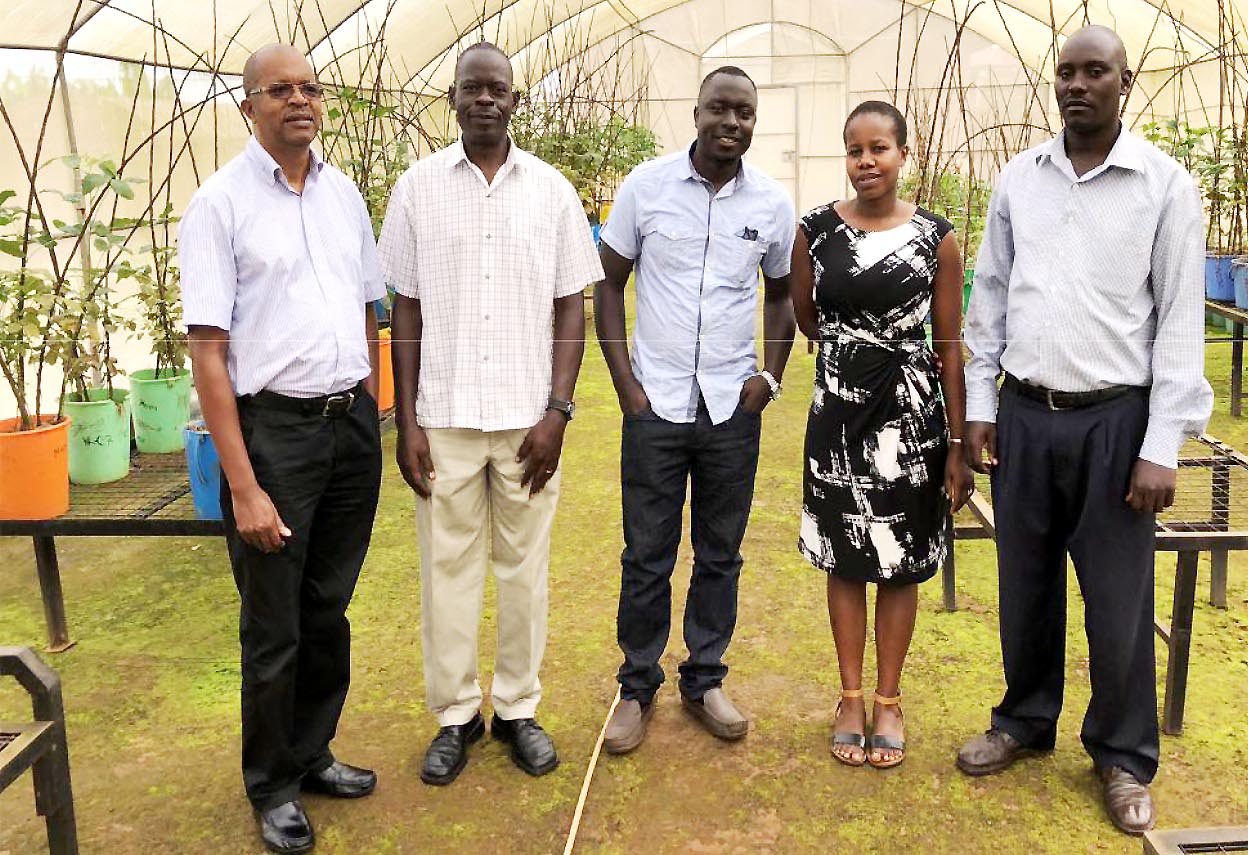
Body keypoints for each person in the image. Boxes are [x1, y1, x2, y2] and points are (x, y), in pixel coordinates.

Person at [957, 26, 1212, 835]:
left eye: (1094, 71)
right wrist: (981, 408)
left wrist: (1161, 442)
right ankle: (1024, 720)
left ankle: (1124, 753)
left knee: (1118, 602)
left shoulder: (1164, 186)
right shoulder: (1018, 181)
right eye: (1065, 72)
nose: (1077, 84)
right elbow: (989, 297)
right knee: (1024, 584)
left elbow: (1179, 318)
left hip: (1116, 422)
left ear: (1124, 84)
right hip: (1028, 415)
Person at [378, 42, 603, 786]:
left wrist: (559, 411)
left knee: (524, 569)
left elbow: (572, 302)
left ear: (514, 101)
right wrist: (406, 420)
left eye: (496, 89)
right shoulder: (416, 189)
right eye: (471, 88)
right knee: (446, 570)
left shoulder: (552, 191)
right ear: (452, 98)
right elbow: (403, 306)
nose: (484, 99)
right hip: (442, 414)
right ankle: (455, 716)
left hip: (526, 420)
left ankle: (516, 708)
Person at [181, 44, 384, 855]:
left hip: (350, 428)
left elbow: (370, 308)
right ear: (248, 106)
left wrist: (370, 403)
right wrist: (244, 484)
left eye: (309, 88)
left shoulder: (343, 197)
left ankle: (312, 753)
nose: (299, 100)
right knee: (273, 623)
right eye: (279, 90)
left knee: (327, 608)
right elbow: (207, 353)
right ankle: (269, 784)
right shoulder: (219, 205)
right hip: (276, 434)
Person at [595, 66, 797, 754]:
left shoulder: (771, 202)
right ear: (697, 111)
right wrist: (626, 387)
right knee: (646, 553)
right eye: (720, 108)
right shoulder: (645, 189)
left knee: (720, 552)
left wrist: (768, 376)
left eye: (745, 112)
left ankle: (705, 675)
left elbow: (781, 295)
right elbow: (608, 286)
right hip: (655, 405)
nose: (732, 122)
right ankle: (635, 684)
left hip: (729, 410)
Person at [790, 101, 972, 769]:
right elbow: (806, 316)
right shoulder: (814, 231)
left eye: (879, 148)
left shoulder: (937, 237)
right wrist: (856, 353)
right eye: (855, 149)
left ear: (902, 155)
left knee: (901, 554)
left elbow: (950, 344)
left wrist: (956, 443)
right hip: (839, 412)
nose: (866, 160)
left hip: (913, 418)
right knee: (846, 552)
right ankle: (848, 694)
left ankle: (889, 700)